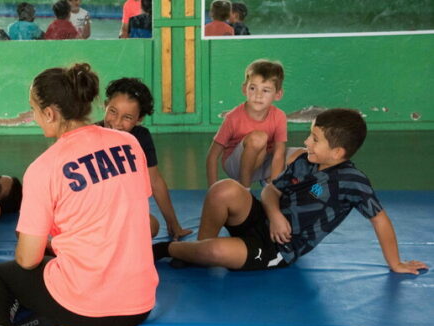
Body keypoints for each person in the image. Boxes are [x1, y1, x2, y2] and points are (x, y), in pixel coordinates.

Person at [0, 63, 158, 326]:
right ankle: (38, 323)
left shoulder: (44, 167)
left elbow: (27, 261)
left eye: (33, 110)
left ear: (49, 113)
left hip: (84, 308)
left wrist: (43, 243)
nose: (34, 117)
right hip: (139, 305)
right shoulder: (130, 145)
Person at [154, 109, 429, 275]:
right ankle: (195, 251)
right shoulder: (304, 161)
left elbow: (380, 220)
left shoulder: (352, 182)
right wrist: (274, 215)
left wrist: (396, 263)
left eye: (315, 139)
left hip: (278, 247)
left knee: (216, 253)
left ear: (337, 153)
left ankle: (166, 249)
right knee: (223, 188)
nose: (307, 141)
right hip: (263, 220)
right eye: (310, 134)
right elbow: (270, 192)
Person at [98, 77, 191, 239]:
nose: (117, 122)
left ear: (139, 119)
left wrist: (174, 224)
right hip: (95, 214)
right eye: (113, 111)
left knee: (151, 225)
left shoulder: (141, 137)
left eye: (127, 117)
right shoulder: (90, 135)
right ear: (105, 105)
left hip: (120, 212)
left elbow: (155, 181)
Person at [206, 59, 287, 188]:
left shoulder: (279, 116)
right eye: (253, 88)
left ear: (278, 94)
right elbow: (212, 156)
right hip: (236, 167)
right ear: (245, 89)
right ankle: (244, 189)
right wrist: (213, 189)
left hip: (261, 164)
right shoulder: (233, 118)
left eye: (265, 90)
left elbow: (279, 154)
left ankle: (268, 183)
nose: (258, 95)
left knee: (300, 154)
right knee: (259, 138)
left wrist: (274, 188)